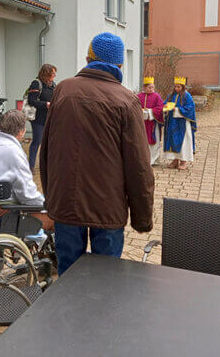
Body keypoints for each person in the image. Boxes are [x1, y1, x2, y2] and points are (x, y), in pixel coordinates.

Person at [40, 32, 154, 275]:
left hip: (66, 204)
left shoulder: (63, 90)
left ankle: (69, 314)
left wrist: (52, 201)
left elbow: (46, 150)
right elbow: (139, 167)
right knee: (106, 280)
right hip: (108, 207)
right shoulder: (126, 101)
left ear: (87, 59)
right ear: (120, 65)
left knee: (68, 278)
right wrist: (142, 218)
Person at [0, 110, 52, 230]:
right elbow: (27, 196)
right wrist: (48, 204)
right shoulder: (15, 153)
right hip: (3, 212)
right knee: (57, 217)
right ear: (22, 131)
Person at [26, 64, 57, 171]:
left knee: (49, 142)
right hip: (38, 119)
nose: (55, 75)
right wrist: (45, 105)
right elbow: (31, 100)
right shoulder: (36, 83)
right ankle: (31, 166)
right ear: (46, 73)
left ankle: (47, 165)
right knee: (37, 141)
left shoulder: (53, 84)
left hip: (49, 119)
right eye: (53, 73)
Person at [163, 77, 197, 171]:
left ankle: (183, 161)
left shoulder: (187, 96)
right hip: (172, 122)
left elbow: (190, 107)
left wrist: (177, 110)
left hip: (182, 124)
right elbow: (165, 103)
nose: (176, 88)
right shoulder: (171, 95)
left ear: (183, 87)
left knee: (184, 142)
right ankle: (175, 160)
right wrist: (165, 107)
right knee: (173, 140)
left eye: (178, 87)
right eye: (175, 87)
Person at [137, 77, 164, 166]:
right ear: (144, 87)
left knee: (153, 141)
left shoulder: (156, 96)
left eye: (153, 87)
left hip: (153, 123)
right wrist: (140, 111)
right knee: (142, 141)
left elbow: (160, 107)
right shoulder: (139, 96)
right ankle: (143, 159)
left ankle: (153, 159)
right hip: (142, 123)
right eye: (149, 87)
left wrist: (149, 111)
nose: (151, 89)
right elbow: (135, 107)